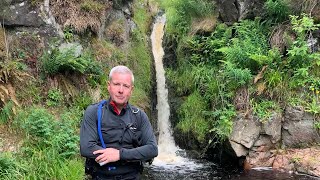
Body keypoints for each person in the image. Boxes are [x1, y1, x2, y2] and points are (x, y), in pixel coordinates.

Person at [80, 65, 158, 180]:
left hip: (132, 176)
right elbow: (86, 148)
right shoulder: (94, 112)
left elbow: (152, 149)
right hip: (101, 176)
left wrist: (119, 155)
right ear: (109, 86)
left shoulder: (139, 116)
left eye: (125, 86)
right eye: (116, 84)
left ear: (131, 90)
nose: (121, 90)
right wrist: (110, 155)